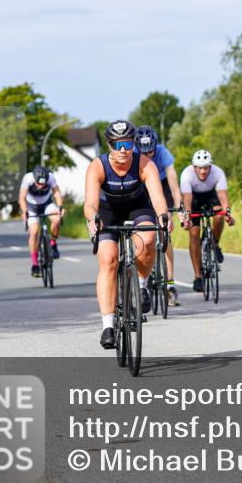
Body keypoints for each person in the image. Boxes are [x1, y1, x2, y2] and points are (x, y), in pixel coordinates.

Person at [83, 120, 171, 350]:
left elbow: (158, 198)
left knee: (148, 238)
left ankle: (141, 284)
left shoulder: (144, 164)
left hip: (137, 207)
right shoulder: (97, 166)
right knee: (108, 260)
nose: (123, 150)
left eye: (128, 144)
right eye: (117, 145)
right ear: (109, 145)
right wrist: (93, 218)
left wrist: (163, 216)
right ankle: (108, 326)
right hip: (107, 212)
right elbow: (90, 204)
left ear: (133, 144)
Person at [135, 125, 182, 306]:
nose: (147, 156)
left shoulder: (163, 154)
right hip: (141, 186)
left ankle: (170, 284)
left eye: (150, 152)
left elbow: (174, 187)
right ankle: (143, 278)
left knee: (165, 232)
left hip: (161, 185)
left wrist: (179, 209)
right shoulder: (133, 154)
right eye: (143, 153)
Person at [179, 150, 235, 294]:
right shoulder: (186, 174)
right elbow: (187, 199)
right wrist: (187, 217)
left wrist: (228, 214)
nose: (203, 171)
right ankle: (198, 276)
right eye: (199, 168)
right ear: (194, 167)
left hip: (211, 196)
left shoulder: (218, 172)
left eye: (206, 168)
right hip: (194, 199)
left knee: (219, 215)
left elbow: (223, 196)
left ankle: (215, 243)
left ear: (210, 166)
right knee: (194, 234)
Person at [19, 165, 65, 277]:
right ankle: (35, 265)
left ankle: (53, 244)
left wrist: (60, 207)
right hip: (31, 207)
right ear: (34, 179)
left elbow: (56, 193)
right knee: (34, 232)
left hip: (46, 204)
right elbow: (22, 197)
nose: (40, 186)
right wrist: (25, 211)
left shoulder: (51, 177)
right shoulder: (28, 178)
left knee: (57, 219)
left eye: (43, 184)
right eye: (38, 183)